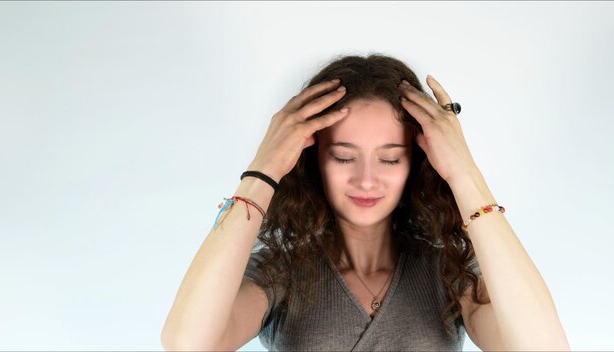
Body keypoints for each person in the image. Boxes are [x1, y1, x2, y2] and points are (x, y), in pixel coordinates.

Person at [161, 54, 570, 351]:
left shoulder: (449, 272)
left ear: (418, 161)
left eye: (390, 158)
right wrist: (262, 172)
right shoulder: (280, 271)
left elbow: (544, 347)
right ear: (312, 158)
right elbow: (187, 344)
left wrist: (465, 173)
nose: (367, 180)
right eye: (343, 156)